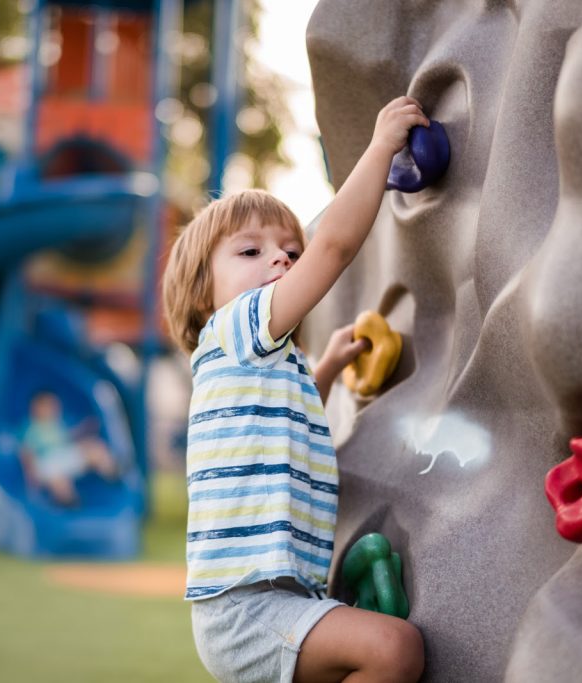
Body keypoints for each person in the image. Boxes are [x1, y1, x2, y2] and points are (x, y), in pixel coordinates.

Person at [161, 96, 428, 683]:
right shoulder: (233, 326)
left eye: (289, 251)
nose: (281, 258)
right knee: (394, 650)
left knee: (388, 650)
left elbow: (279, 427)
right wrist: (381, 148)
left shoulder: (269, 367)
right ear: (206, 292)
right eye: (251, 251)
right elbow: (332, 246)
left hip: (280, 601)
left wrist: (325, 370)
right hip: (248, 608)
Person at [20, 391, 119, 506]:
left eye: (54, 406)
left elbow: (67, 440)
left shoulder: (56, 425)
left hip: (65, 457)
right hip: (47, 463)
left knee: (94, 447)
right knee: (58, 479)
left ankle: (111, 471)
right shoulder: (31, 429)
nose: (53, 410)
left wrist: (84, 429)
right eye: (48, 406)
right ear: (35, 409)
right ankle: (67, 500)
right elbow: (26, 452)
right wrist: (31, 478)